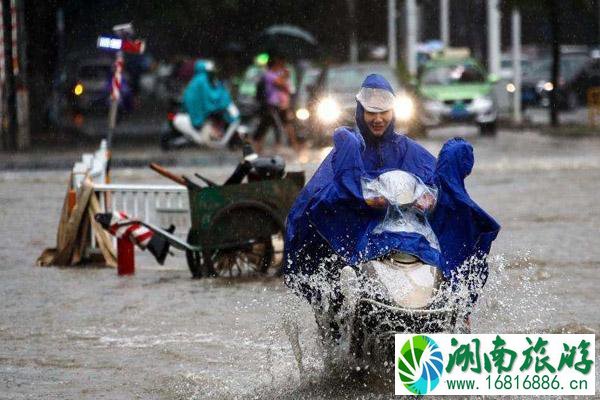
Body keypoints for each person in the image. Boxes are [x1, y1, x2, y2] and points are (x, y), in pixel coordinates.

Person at [282, 74, 500, 332]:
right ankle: (339, 330)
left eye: (383, 112)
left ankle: (456, 317)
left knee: (448, 276)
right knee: (338, 280)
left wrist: (428, 199)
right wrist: (362, 200)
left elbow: (438, 187)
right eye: (371, 113)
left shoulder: (410, 151)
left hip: (412, 241)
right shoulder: (350, 150)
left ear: (393, 112)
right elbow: (323, 196)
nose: (377, 119)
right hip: (361, 238)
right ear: (361, 112)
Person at [173, 60, 236, 145]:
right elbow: (210, 96)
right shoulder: (203, 80)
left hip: (191, 111)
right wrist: (221, 101)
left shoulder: (196, 80)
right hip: (197, 113)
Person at [253, 53, 298, 152]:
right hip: (270, 105)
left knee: (282, 125)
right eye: (279, 65)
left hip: (279, 105)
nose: (281, 67)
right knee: (273, 126)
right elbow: (280, 83)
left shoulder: (277, 74)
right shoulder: (269, 75)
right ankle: (274, 148)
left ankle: (293, 146)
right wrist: (285, 76)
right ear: (274, 65)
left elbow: (288, 88)